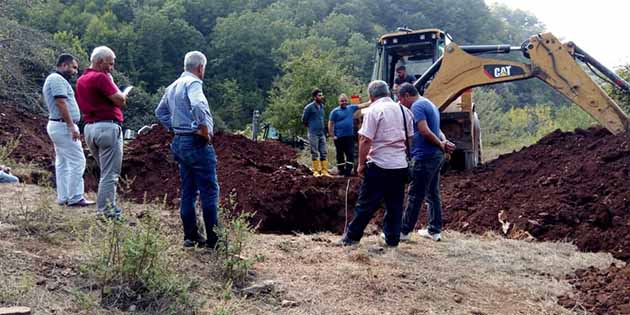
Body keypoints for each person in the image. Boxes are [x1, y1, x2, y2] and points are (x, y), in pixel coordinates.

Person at [155, 51, 219, 249]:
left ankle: (190, 237)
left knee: (188, 190)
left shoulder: (172, 86)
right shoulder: (193, 83)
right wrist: (204, 129)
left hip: (180, 142)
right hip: (195, 142)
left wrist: (174, 128)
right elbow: (199, 104)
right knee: (209, 190)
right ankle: (214, 241)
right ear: (200, 68)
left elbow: (160, 112)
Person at [337, 80, 414, 247]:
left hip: (378, 165)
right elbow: (410, 140)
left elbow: (365, 140)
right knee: (395, 205)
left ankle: (351, 238)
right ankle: (393, 240)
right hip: (399, 166)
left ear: (371, 96)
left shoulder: (373, 110)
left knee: (366, 204)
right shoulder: (404, 111)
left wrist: (361, 164)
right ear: (388, 93)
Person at [76, 46, 129, 219]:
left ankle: (106, 208)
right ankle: (106, 212)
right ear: (99, 62)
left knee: (105, 171)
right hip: (107, 127)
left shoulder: (82, 79)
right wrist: (122, 91)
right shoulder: (101, 77)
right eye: (110, 64)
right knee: (110, 173)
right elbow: (120, 101)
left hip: (90, 128)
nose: (111, 67)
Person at [397, 83, 455, 242]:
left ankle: (403, 231)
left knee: (415, 194)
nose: (400, 103)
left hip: (425, 157)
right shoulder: (429, 103)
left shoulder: (417, 106)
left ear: (407, 95)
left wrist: (440, 144)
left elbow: (424, 130)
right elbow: (438, 130)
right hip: (435, 156)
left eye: (401, 99)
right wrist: (443, 142)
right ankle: (434, 230)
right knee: (432, 193)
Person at [43, 53, 94, 207]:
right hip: (63, 126)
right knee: (78, 160)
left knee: (63, 162)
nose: (75, 71)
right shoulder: (56, 79)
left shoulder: (55, 79)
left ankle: (64, 197)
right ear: (64, 65)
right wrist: (71, 126)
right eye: (73, 67)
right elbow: (60, 102)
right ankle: (75, 197)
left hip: (58, 125)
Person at [327, 94, 370, 176]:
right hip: (339, 137)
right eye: (342, 101)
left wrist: (372, 100)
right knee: (340, 154)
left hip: (349, 136)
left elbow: (363, 105)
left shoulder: (351, 108)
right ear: (338, 102)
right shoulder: (335, 112)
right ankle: (341, 170)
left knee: (350, 153)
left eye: (345, 101)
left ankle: (348, 171)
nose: (344, 102)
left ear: (347, 101)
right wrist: (332, 135)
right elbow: (330, 123)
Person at [302, 89, 330, 177]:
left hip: (321, 133)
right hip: (313, 133)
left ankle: (324, 170)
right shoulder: (309, 107)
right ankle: (316, 171)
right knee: (314, 152)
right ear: (314, 97)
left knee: (324, 151)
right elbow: (304, 119)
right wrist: (310, 127)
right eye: (319, 95)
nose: (321, 97)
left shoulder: (322, 107)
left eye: (322, 95)